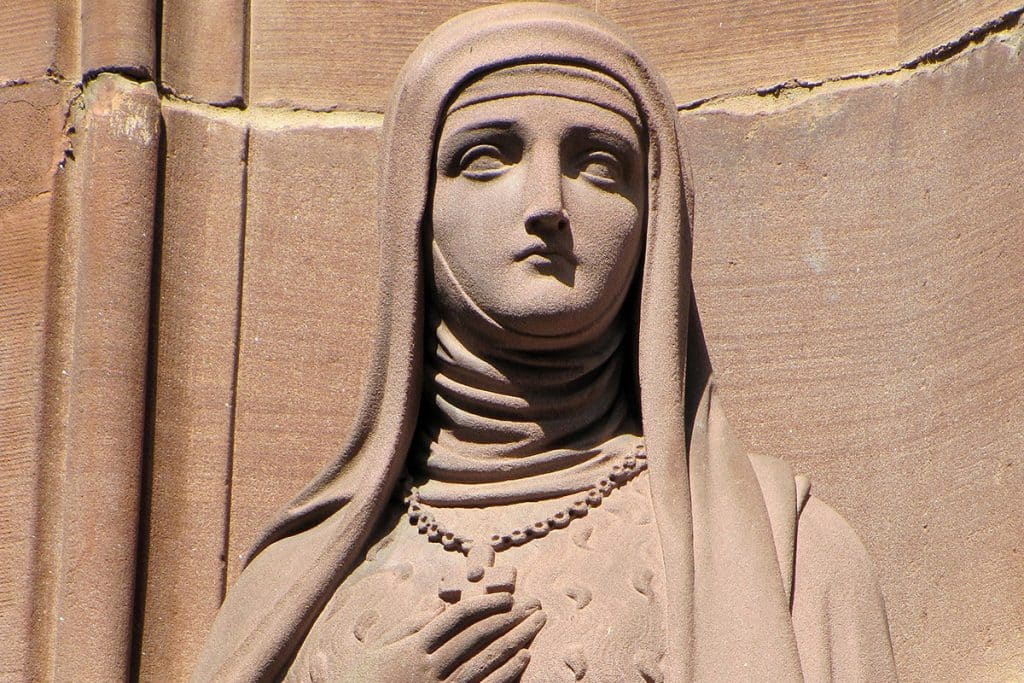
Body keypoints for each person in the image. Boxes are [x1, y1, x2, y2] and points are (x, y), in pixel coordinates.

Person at [194, 4, 896, 681]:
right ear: (416, 206)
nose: (546, 204)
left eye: (597, 165)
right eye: (486, 159)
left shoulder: (793, 557)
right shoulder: (295, 586)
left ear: (654, 220)